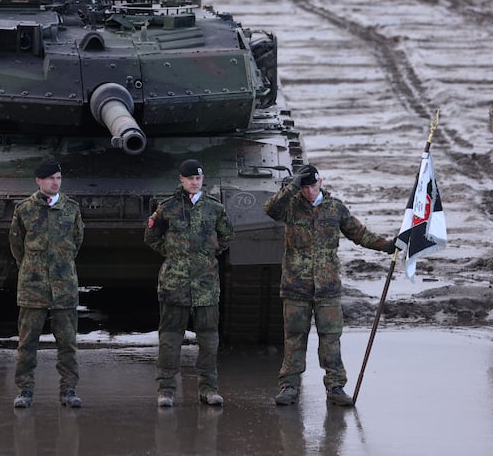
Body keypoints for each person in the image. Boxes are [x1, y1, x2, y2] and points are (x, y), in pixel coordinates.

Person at [263, 164, 395, 407]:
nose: (310, 191)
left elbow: (359, 234)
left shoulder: (335, 209)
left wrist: (386, 245)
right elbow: (271, 209)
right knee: (294, 337)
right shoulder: (291, 206)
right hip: (296, 286)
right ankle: (289, 386)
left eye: (313, 186)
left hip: (327, 287)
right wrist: (292, 186)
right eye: (305, 188)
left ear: (320, 183)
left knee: (331, 338)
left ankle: (335, 387)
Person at [144, 159, 235, 407]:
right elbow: (151, 236)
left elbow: (226, 235)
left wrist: (206, 255)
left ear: (202, 179)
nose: (195, 182)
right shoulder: (168, 208)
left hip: (206, 283)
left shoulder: (214, 209)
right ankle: (166, 389)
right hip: (175, 282)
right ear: (181, 180)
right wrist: (175, 254)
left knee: (208, 338)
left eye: (198, 178)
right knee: (171, 338)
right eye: (190, 179)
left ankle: (208, 388)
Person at [9, 158, 85, 408]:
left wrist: (59, 264)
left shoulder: (71, 209)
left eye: (59, 178)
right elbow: (17, 245)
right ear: (39, 181)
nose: (56, 182)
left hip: (64, 285)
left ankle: (68, 390)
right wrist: (33, 267)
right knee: (27, 342)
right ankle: (25, 390)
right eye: (51, 178)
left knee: (67, 342)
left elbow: (76, 240)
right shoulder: (24, 210)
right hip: (33, 285)